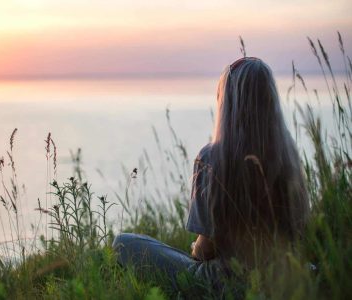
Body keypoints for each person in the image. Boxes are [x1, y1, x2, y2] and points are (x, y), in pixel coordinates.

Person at [112, 57, 310, 296]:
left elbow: (205, 252)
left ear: (227, 103)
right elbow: (298, 235)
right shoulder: (289, 155)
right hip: (282, 277)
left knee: (125, 243)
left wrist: (196, 248)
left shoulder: (212, 158)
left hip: (227, 283)